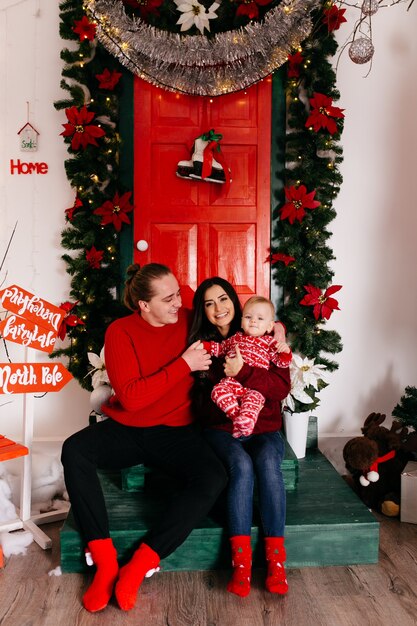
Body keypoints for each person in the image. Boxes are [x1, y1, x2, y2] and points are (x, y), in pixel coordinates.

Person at [61, 263, 228, 613]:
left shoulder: (188, 319)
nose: (178, 304)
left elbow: (233, 321)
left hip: (177, 431)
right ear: (144, 305)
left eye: (178, 294)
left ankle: (141, 562)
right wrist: (183, 364)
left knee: (213, 476)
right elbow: (133, 398)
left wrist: (276, 330)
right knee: (75, 450)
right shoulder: (121, 332)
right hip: (129, 429)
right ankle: (105, 560)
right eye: (168, 299)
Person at [189, 277, 291, 598]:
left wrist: (245, 371)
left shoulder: (265, 335)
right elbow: (203, 407)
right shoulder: (205, 347)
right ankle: (241, 565)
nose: (218, 308)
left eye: (223, 299)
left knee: (268, 461)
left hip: (265, 428)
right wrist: (227, 380)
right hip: (222, 430)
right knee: (241, 466)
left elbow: (280, 388)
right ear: (203, 312)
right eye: (209, 303)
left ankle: (276, 563)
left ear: (237, 303)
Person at [202, 295, 292, 438]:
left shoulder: (270, 342)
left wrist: (285, 353)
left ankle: (246, 421)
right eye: (248, 317)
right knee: (218, 391)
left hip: (254, 389)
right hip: (232, 386)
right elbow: (220, 349)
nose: (253, 321)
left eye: (260, 319)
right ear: (242, 321)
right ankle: (239, 419)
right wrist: (204, 346)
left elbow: (281, 362)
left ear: (269, 326)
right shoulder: (235, 339)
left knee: (253, 401)